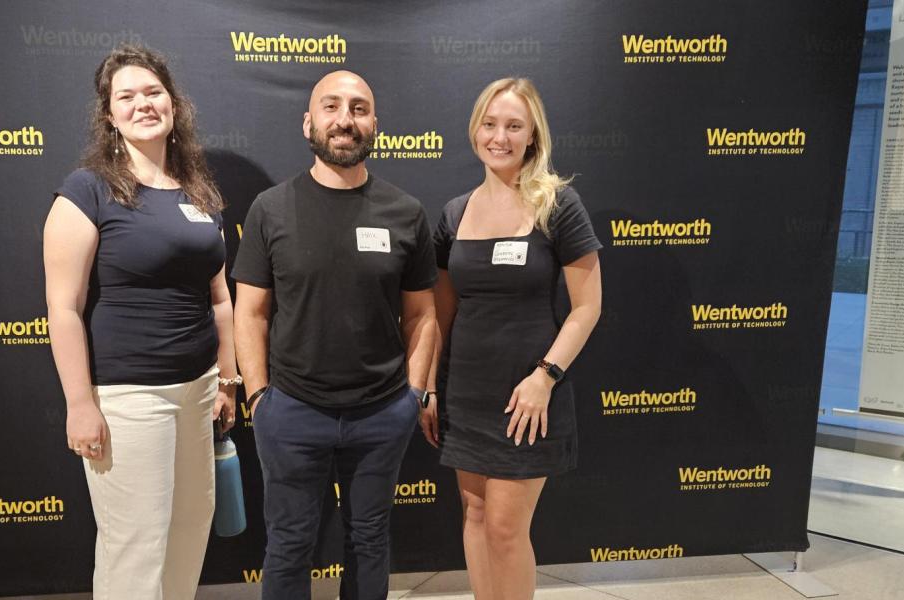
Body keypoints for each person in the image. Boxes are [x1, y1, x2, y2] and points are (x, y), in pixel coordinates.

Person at [42, 44, 240, 600]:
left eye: (153, 92)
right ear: (109, 114)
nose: (143, 104)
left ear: (174, 103)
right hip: (129, 399)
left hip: (198, 391)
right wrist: (80, 404)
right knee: (136, 547)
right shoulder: (87, 190)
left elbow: (219, 298)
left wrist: (227, 380)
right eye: (126, 96)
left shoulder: (198, 191)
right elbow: (63, 308)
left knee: (189, 533)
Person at [232, 70, 437, 600]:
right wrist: (258, 397)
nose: (345, 119)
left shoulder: (405, 212)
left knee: (369, 540)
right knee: (289, 544)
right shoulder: (270, 209)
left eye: (358, 108)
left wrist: (414, 395)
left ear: (374, 125)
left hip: (382, 411)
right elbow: (249, 313)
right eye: (331, 106)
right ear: (309, 123)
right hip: (291, 409)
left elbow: (422, 315)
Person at [421, 77, 603, 600]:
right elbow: (441, 313)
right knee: (475, 516)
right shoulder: (455, 213)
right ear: (475, 130)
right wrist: (430, 386)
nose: (499, 137)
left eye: (513, 126)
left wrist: (545, 378)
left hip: (527, 397)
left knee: (505, 528)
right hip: (465, 393)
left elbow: (587, 307)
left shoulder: (558, 205)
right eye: (490, 124)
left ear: (532, 136)